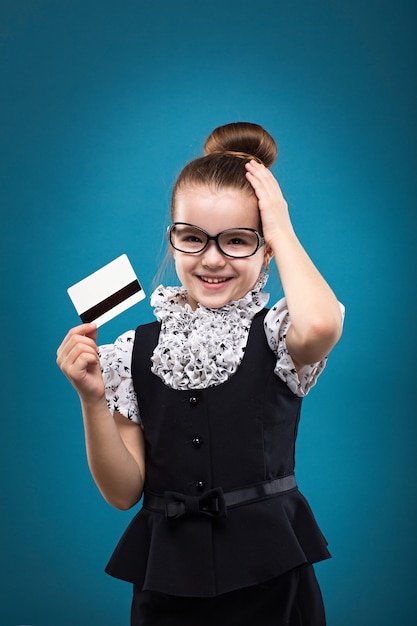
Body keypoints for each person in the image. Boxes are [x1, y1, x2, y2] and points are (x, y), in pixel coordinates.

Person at [57, 122, 344, 625]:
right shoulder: (134, 350)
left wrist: (281, 226)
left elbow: (321, 322)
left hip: (271, 575)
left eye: (237, 240)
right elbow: (123, 492)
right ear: (173, 241)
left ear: (267, 250)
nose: (212, 259)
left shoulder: (279, 333)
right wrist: (92, 399)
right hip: (168, 583)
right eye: (192, 238)